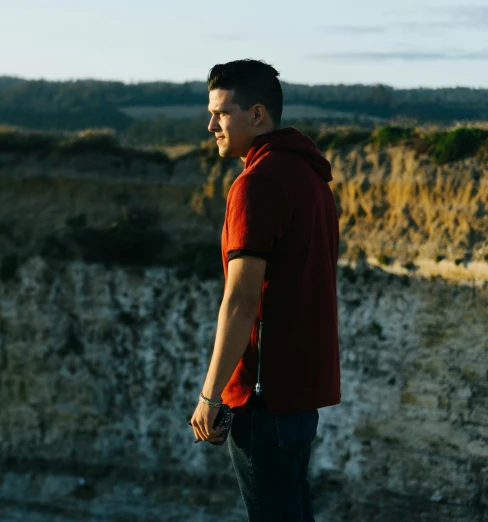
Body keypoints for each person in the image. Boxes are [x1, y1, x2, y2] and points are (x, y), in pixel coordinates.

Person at [188, 59, 341, 521]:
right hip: (300, 394)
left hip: (262, 398)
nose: (211, 124)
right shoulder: (312, 178)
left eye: (222, 113)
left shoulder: (256, 184)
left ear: (257, 115)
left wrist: (211, 394)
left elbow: (241, 300)